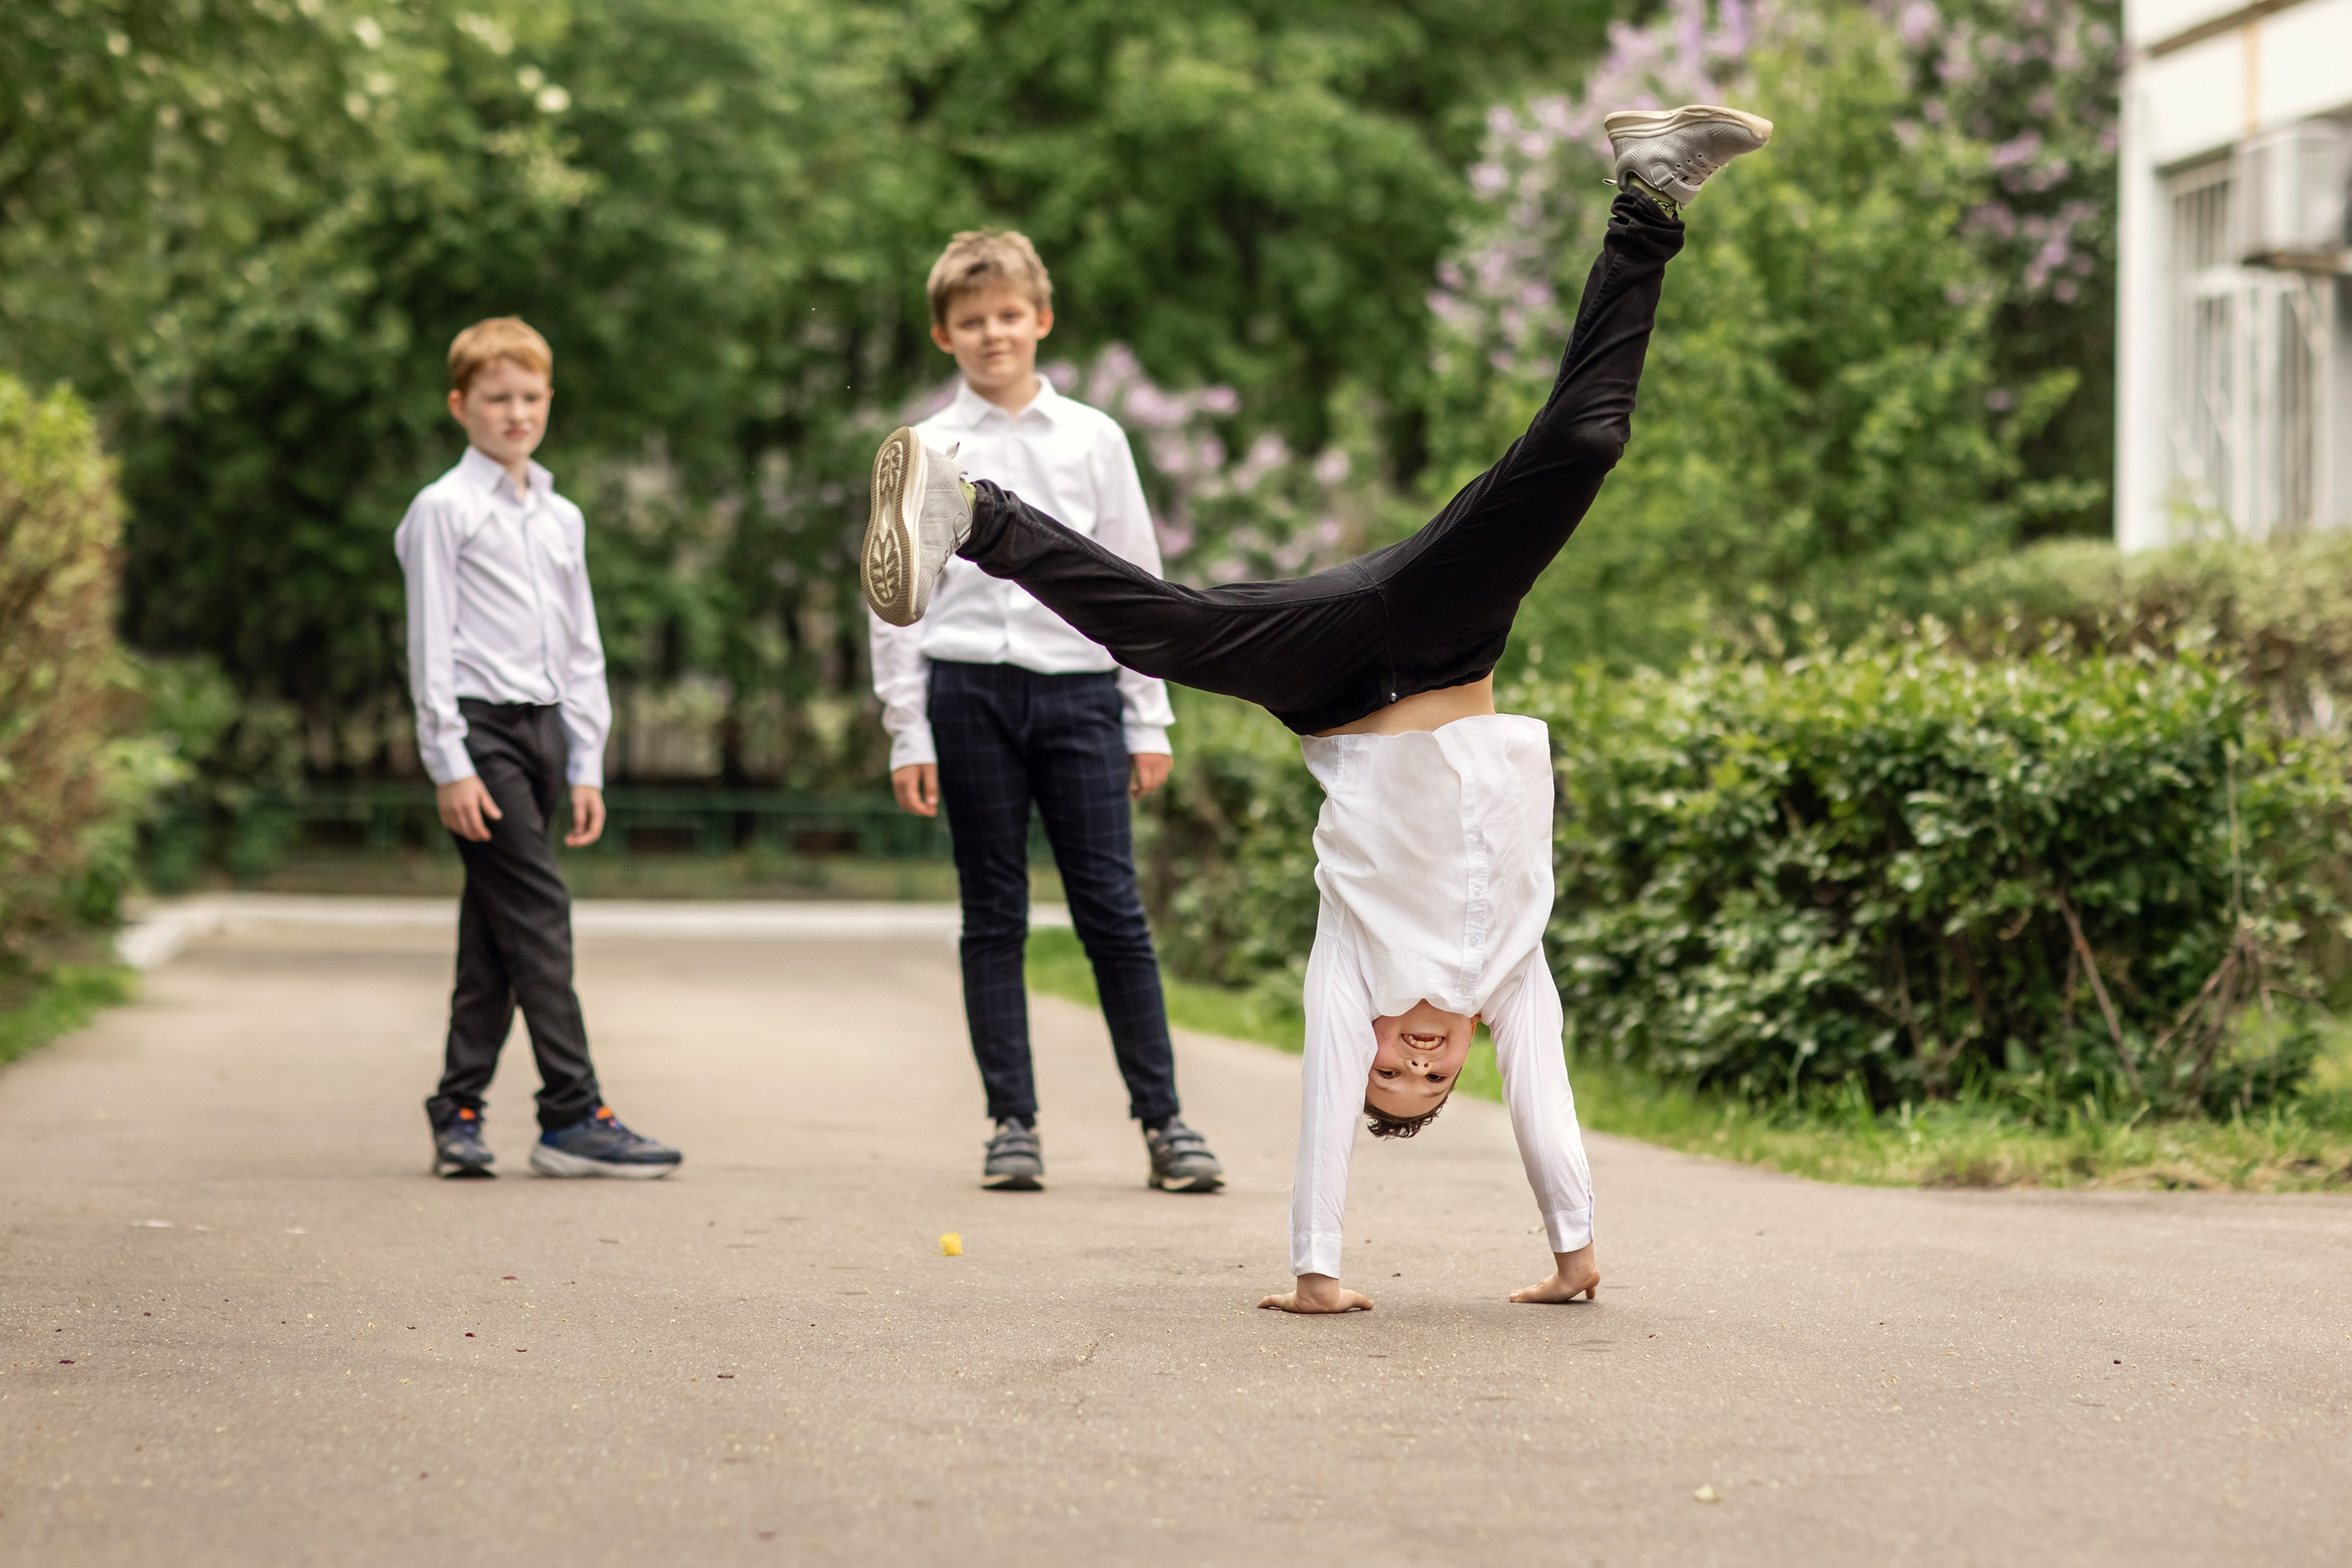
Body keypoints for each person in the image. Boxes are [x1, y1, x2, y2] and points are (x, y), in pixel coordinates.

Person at [860, 107, 1771, 1304]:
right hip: (1446, 633)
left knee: (1166, 627)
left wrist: (1316, 1271)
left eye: (1394, 1071)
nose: (1417, 1060)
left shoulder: (1354, 971)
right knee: (1586, 439)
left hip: (1332, 681)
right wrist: (1575, 1257)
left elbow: (1321, 1106)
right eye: (1430, 1081)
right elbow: (1547, 1108)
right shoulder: (1511, 978)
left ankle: (972, 512)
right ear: (1468, 1061)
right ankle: (1649, 194)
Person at [868, 231, 1226, 1194]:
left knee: (1113, 911)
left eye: (1008, 316)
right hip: (966, 693)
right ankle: (1012, 1125)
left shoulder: (1094, 439)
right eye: (971, 321)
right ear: (944, 334)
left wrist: (1146, 716)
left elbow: (1136, 577)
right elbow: (892, 598)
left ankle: (1166, 1123)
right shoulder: (926, 448)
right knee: (993, 914)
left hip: (1078, 696)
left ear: (1042, 320)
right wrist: (908, 729)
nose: (992, 334)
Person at [396, 317, 683, 1180]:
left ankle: (459, 1109)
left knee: (498, 929)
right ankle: (572, 1112)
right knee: (538, 910)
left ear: (549, 400)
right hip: (480, 732)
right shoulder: (443, 509)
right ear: (461, 405)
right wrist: (449, 761)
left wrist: (587, 759)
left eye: (529, 396)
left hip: (545, 731)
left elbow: (582, 646)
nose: (516, 412)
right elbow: (428, 642)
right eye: (497, 398)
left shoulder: (561, 517)